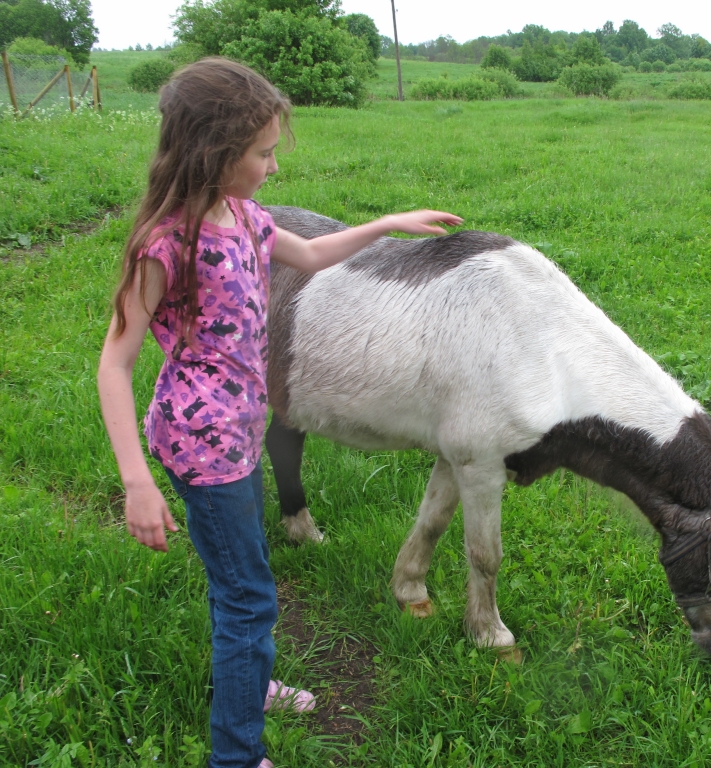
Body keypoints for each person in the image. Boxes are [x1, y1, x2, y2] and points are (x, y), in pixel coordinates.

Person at [96, 58, 461, 768]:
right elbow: (115, 364)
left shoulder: (244, 217)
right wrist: (136, 481)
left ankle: (251, 679)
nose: (270, 165)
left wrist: (386, 222)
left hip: (239, 437)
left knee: (243, 575)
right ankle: (236, 753)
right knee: (248, 599)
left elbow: (316, 254)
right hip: (201, 446)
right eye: (262, 152)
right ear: (214, 152)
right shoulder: (166, 245)